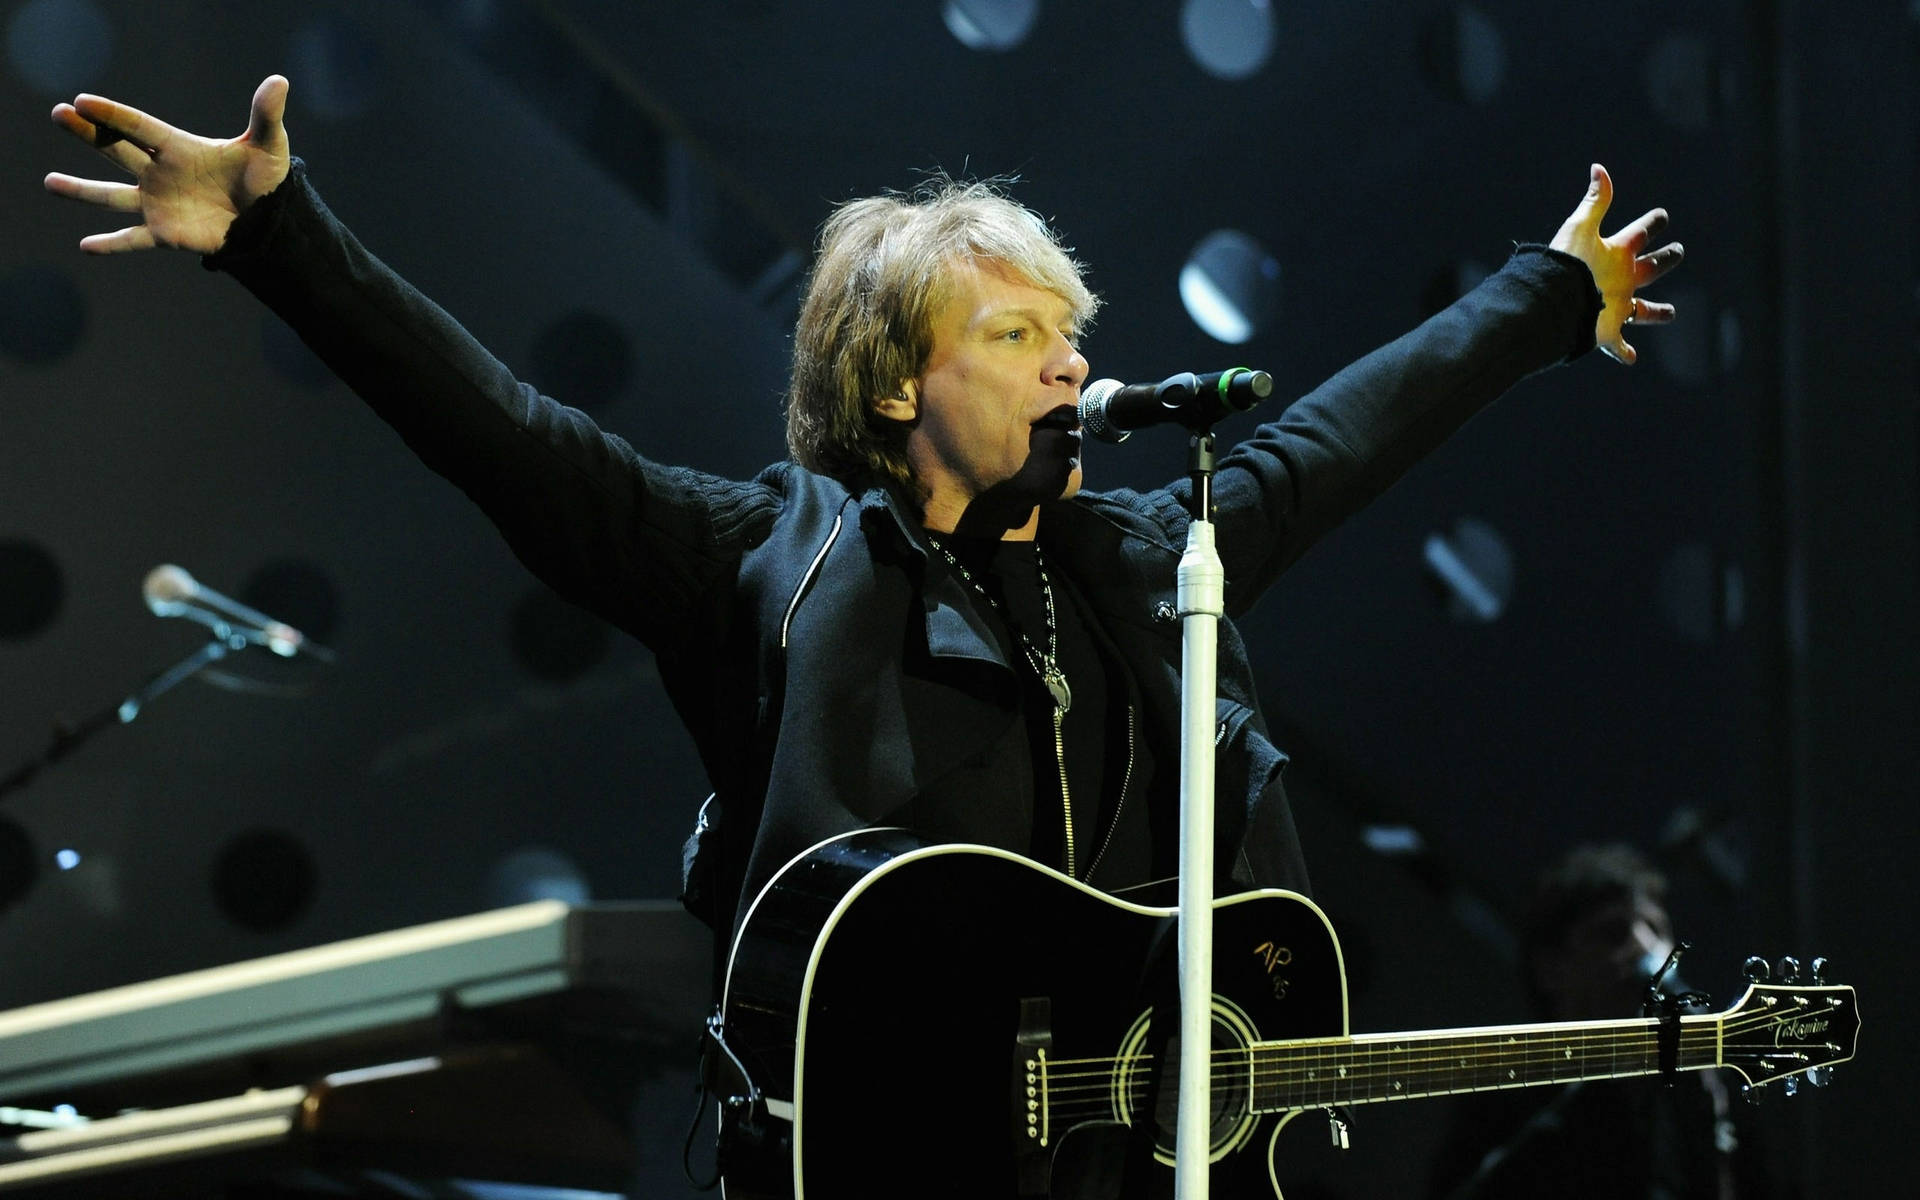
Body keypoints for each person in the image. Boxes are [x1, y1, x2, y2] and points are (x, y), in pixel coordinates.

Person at [45, 74, 1681, 1186]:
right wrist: (281, 239)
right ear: (900, 382)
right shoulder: (766, 559)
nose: (1066, 367)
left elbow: (1329, 443)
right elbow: (508, 431)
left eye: (1074, 337)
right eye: (1019, 332)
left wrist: (1541, 298)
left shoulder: (1139, 559)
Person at [1428, 845, 1762, 1199]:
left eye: (1657, 930)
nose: (1647, 949)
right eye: (1614, 933)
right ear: (1550, 969)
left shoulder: (1708, 1092)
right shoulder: (1498, 1105)